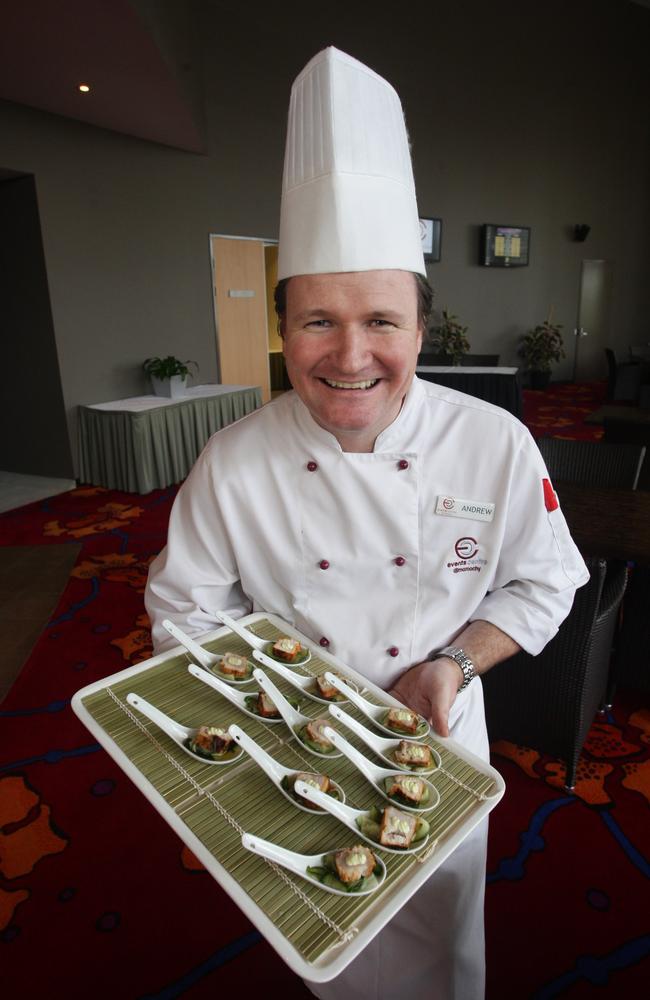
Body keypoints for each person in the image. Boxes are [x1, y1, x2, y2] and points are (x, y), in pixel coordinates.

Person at [146, 48, 588, 1000]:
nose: (351, 355)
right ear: (281, 328)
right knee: (322, 937)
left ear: (422, 330)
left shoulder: (495, 443)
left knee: (442, 937)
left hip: (439, 735)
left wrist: (456, 663)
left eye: (381, 321)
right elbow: (182, 609)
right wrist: (270, 699)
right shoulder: (232, 458)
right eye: (317, 322)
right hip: (294, 749)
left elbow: (546, 580)